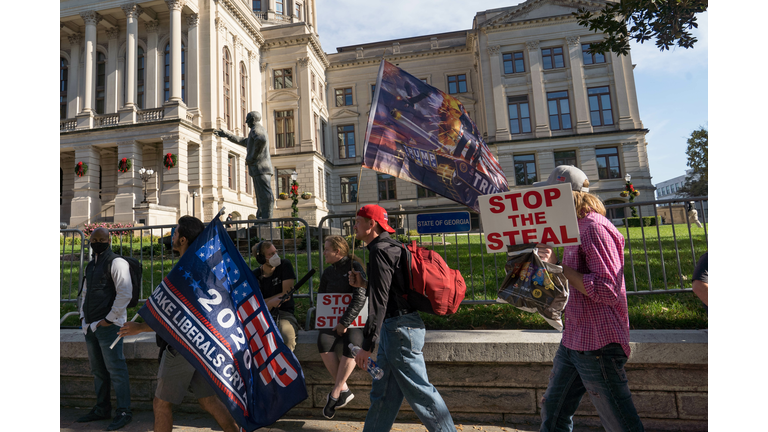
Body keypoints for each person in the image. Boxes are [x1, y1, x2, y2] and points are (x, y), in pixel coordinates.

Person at [534, 166, 644, 432]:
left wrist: (561, 269)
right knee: (554, 410)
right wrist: (554, 263)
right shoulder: (575, 227)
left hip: (598, 344)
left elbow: (607, 289)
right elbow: (576, 277)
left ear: (563, 195)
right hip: (575, 338)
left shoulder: (593, 227)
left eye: (550, 194)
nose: (546, 201)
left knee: (620, 423)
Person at [118, 216, 239, 432]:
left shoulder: (186, 270)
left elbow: (176, 315)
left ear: (183, 239)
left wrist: (139, 328)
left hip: (182, 346)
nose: (172, 237)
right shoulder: (201, 266)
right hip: (201, 345)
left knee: (161, 403)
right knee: (208, 401)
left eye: (174, 234)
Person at [348, 204, 455, 432]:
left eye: (358, 221)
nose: (354, 225)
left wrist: (367, 344)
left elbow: (379, 301)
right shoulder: (393, 247)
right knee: (383, 394)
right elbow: (393, 291)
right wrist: (364, 283)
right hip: (398, 327)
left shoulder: (380, 252)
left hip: (399, 330)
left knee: (421, 393)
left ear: (371, 224)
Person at [76, 228, 133, 431]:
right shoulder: (91, 265)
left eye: (102, 239)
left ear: (109, 240)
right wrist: (83, 317)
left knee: (116, 370)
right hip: (90, 326)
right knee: (98, 371)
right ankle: (102, 409)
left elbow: (125, 293)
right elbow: (85, 292)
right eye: (94, 239)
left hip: (109, 326)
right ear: (90, 241)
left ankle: (124, 411)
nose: (98, 242)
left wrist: (109, 320)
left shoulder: (117, 262)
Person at [317, 235, 368, 419]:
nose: (323, 253)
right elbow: (322, 298)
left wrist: (344, 322)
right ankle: (344, 389)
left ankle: (336, 392)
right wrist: (328, 321)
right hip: (332, 321)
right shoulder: (328, 273)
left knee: (353, 344)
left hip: (354, 321)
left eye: (326, 249)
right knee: (323, 342)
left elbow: (360, 297)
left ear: (337, 251)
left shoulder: (355, 268)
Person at [214, 111, 273, 220]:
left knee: (264, 194)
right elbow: (244, 141)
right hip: (258, 168)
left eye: (248, 119)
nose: (246, 122)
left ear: (253, 120)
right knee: (261, 196)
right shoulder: (254, 131)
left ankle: (266, 219)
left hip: (261, 168)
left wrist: (253, 157)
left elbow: (261, 140)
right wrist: (227, 135)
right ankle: (262, 218)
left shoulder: (257, 129)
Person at [251, 240, 299, 351]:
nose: (275, 256)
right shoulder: (255, 276)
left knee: (287, 338)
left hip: (284, 314)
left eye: (275, 252)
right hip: (263, 315)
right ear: (261, 258)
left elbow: (286, 294)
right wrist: (270, 303)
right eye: (270, 254)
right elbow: (254, 304)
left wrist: (265, 302)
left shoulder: (284, 265)